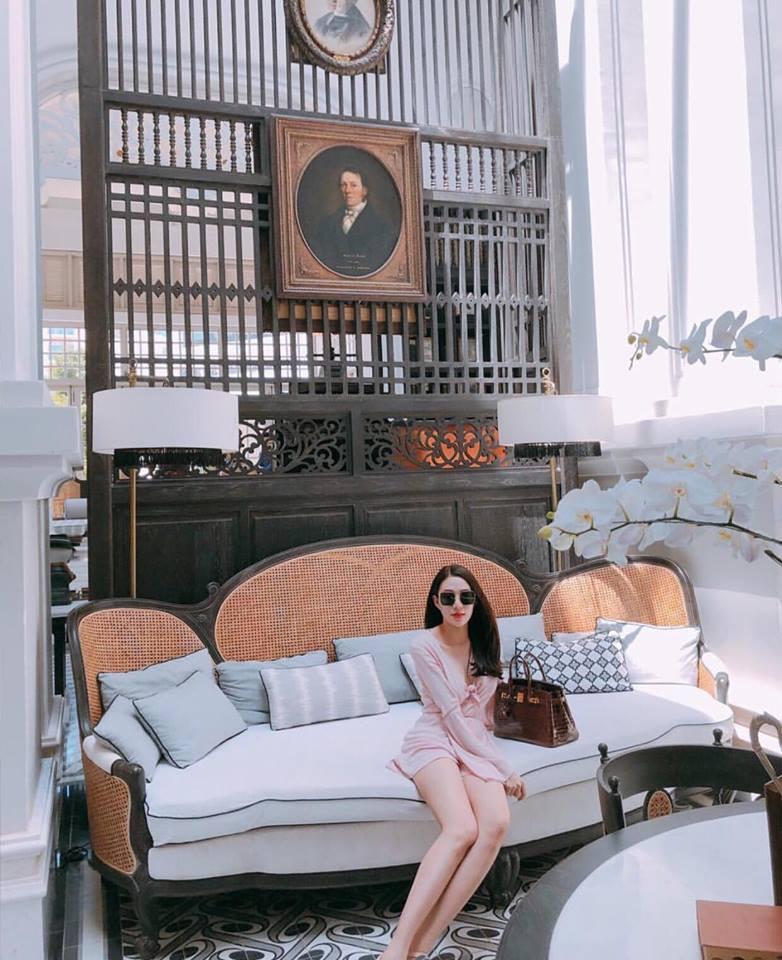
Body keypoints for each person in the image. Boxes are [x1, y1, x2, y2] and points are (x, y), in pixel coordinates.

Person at [384, 566, 526, 960]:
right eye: (448, 598)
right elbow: (451, 717)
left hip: (474, 743)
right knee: (462, 828)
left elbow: (483, 717)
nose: (458, 605)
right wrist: (505, 769)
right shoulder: (424, 646)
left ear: (476, 601)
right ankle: (397, 947)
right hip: (435, 739)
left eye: (465, 597)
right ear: (436, 602)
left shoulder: (484, 643)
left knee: (495, 824)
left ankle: (420, 947)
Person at [307, 165, 399, 277]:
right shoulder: (326, 224)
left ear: (364, 190)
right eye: (343, 185)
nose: (347, 190)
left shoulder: (382, 228)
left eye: (353, 185)